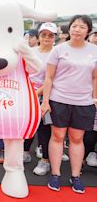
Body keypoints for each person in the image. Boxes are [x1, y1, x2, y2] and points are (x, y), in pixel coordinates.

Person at [41, 15, 97, 194]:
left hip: (83, 102)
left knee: (77, 138)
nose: (77, 29)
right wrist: (46, 101)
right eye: (74, 26)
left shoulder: (94, 51)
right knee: (57, 137)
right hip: (59, 100)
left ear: (88, 30)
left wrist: (95, 99)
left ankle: (75, 176)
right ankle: (55, 174)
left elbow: (95, 78)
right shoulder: (58, 50)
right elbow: (49, 77)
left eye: (81, 27)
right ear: (69, 29)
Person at [23, 22, 57, 175]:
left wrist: (37, 93)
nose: (46, 38)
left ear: (54, 37)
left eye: (50, 35)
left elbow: (52, 78)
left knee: (44, 128)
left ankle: (45, 161)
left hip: (45, 94)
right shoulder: (30, 52)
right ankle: (25, 152)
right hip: (27, 92)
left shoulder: (56, 53)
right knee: (27, 125)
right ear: (39, 36)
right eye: (43, 35)